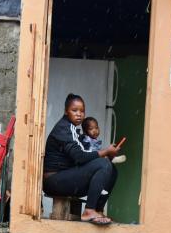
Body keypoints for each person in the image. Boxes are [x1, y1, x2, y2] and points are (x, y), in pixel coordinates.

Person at [43, 94, 122, 226]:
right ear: (66, 111)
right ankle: (89, 211)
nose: (79, 114)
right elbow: (80, 157)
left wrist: (107, 155)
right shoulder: (65, 128)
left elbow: (86, 154)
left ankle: (98, 210)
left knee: (111, 169)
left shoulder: (72, 129)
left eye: (82, 111)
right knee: (103, 164)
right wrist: (105, 152)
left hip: (65, 177)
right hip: (53, 181)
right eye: (74, 110)